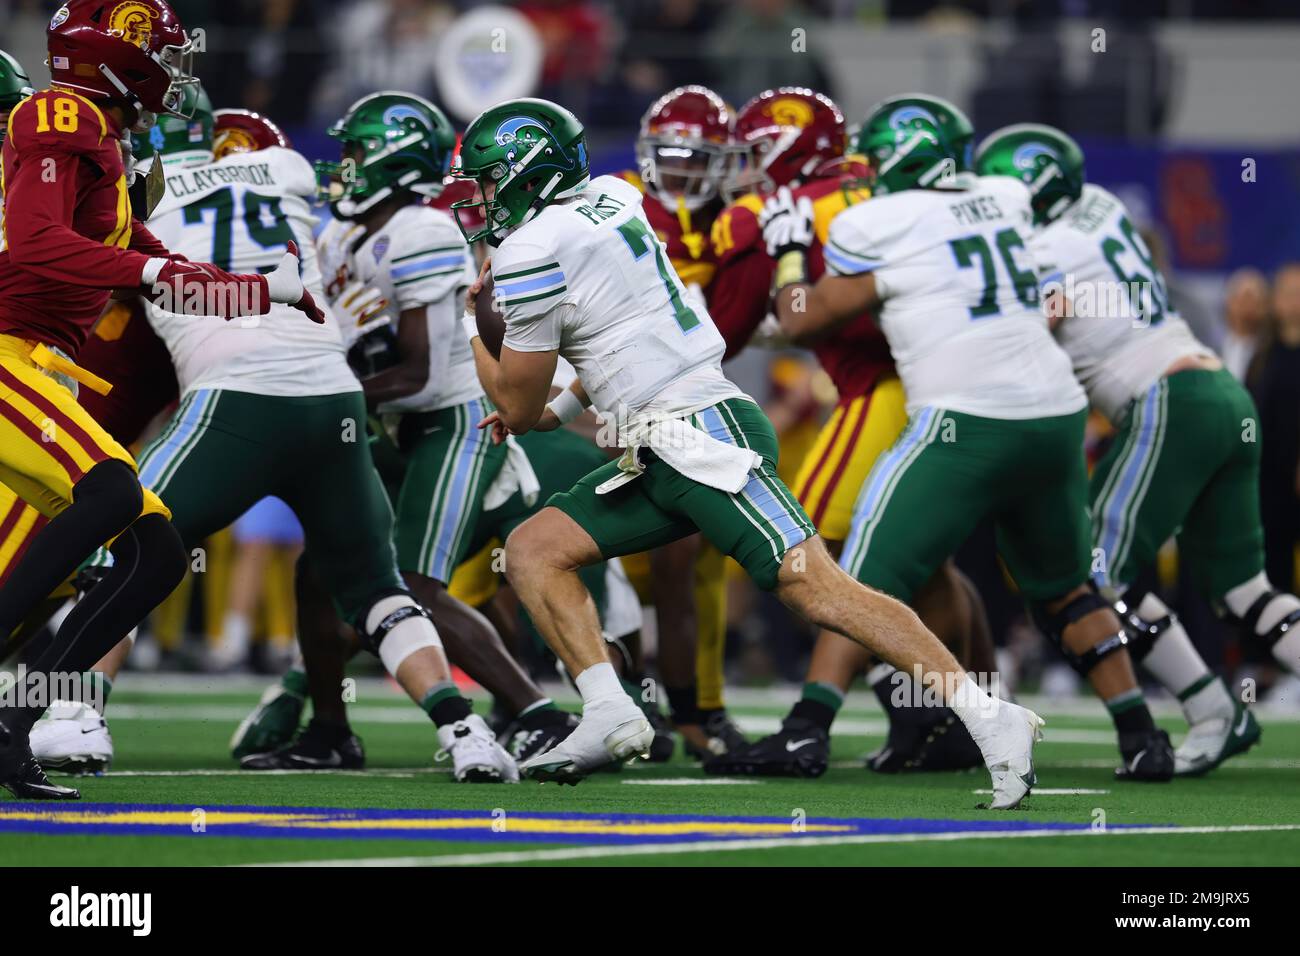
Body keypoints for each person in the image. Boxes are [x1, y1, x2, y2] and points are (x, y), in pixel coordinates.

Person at [452, 96, 1043, 809]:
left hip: (701, 436)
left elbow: (515, 408)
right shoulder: (611, 198)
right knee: (534, 551)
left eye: (487, 181)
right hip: (664, 435)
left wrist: (471, 323)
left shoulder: (528, 250)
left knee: (816, 587)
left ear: (526, 174)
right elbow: (620, 329)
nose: (481, 198)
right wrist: (572, 404)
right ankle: (610, 710)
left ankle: (991, 716)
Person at [30, 84, 516, 784]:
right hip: (333, 395)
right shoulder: (287, 170)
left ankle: (75, 718)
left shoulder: (129, 196)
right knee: (377, 587)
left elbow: (76, 261)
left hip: (237, 395)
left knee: (122, 546)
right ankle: (465, 731)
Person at [761, 95, 1172, 780]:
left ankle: (806, 729)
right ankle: (1142, 736)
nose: (864, 173)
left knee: (859, 574)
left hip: (964, 419)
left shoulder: (877, 219)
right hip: (1054, 414)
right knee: (1066, 588)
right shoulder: (1003, 193)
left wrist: (787, 257)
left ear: (900, 160)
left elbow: (803, 320)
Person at [0, 0, 321, 800]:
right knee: (108, 493)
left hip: (37, 368)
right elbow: (39, 241)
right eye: (162, 54)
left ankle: (13, 719)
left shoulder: (110, 148)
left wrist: (263, 292)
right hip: (4, 352)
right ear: (115, 52)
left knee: (159, 553)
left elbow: (165, 271)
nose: (174, 73)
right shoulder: (58, 112)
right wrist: (157, 273)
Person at [976, 123, 1300, 773]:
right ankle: (1215, 709)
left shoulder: (1046, 248)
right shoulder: (1101, 205)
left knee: (1088, 571)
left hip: (1168, 402)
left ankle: (1212, 708)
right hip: (1217, 392)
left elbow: (1017, 329)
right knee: (1246, 589)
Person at [706, 88, 991, 778]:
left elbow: (737, 326)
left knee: (811, 557)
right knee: (923, 568)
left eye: (754, 154)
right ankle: (963, 715)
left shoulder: (791, 209)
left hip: (883, 389)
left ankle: (811, 727)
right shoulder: (874, 193)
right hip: (950, 389)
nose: (744, 172)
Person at [1220, 268, 1269, 384]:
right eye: (1241, 299)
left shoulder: (1270, 350)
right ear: (1229, 302)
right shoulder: (1212, 344)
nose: (1247, 308)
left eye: (1253, 300)